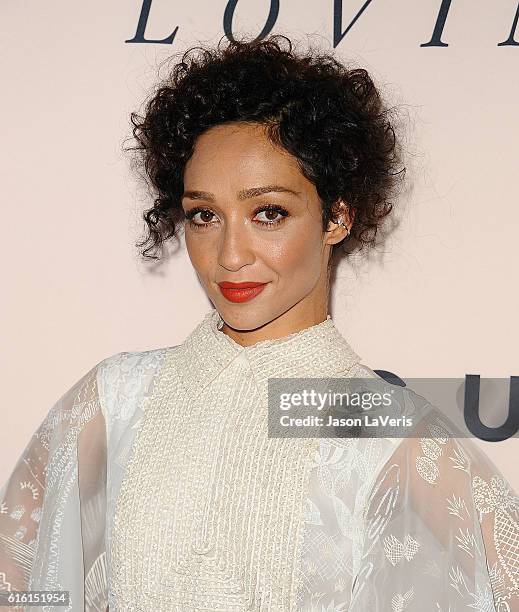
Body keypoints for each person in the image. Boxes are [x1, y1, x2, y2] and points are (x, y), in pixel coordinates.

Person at [0, 34, 517, 612]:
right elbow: (17, 581)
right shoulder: (116, 399)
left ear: (336, 218)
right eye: (204, 215)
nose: (230, 254)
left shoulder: (386, 428)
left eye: (268, 213)